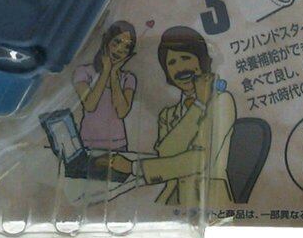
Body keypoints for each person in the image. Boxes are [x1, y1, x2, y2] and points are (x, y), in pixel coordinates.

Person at [109, 26, 236, 208]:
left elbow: (198, 160)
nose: (180, 68)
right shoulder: (168, 115)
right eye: (172, 63)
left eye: (185, 58)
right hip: (171, 200)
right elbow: (166, 153)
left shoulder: (222, 101)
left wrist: (133, 167)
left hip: (208, 202)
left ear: (201, 61)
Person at [73, 21, 137, 151]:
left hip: (118, 145)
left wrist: (113, 74)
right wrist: (106, 71)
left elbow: (122, 112)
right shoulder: (83, 72)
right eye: (116, 42)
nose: (120, 50)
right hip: (88, 144)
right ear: (105, 42)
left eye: (126, 47)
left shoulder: (128, 79)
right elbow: (90, 105)